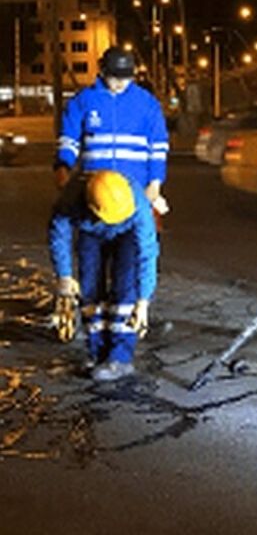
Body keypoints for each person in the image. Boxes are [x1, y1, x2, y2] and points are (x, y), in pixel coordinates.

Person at [49, 170, 159, 382]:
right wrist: (64, 276)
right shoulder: (71, 198)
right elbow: (59, 235)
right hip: (91, 231)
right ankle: (97, 353)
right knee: (89, 287)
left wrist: (143, 300)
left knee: (126, 288)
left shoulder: (137, 204)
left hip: (127, 235)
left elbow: (147, 252)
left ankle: (120, 359)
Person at [53, 46, 170, 216]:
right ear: (103, 72)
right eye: (115, 77)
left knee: (142, 232)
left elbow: (158, 145)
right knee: (82, 229)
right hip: (95, 188)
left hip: (136, 187)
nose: (121, 83)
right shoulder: (83, 101)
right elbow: (69, 139)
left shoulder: (147, 103)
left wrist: (155, 182)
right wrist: (63, 166)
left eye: (126, 77)